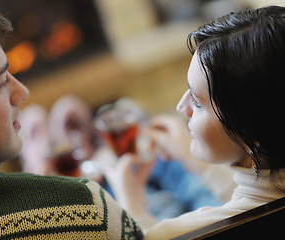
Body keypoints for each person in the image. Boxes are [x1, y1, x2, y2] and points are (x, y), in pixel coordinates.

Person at [0, 1, 143, 239]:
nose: (22, 92)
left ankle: (37, 161)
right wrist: (131, 202)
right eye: (0, 83)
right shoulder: (82, 206)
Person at [104, 5, 285, 239]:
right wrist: (190, 156)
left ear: (253, 135)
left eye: (197, 102)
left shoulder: (176, 234)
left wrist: (131, 205)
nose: (182, 108)